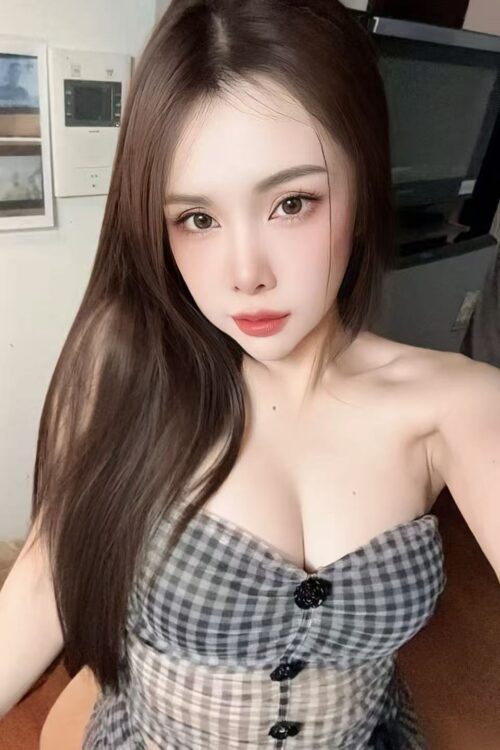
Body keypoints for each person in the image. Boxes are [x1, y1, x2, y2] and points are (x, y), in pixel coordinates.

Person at [1, 1, 499, 748]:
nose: (245, 275)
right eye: (197, 218)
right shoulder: (125, 368)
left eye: (292, 203)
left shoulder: (456, 404)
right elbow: (44, 581)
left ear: (363, 186)